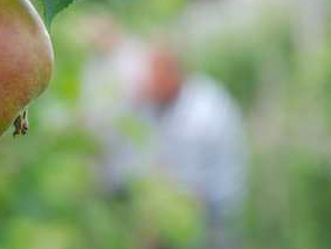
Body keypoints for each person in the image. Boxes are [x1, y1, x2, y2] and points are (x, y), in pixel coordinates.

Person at [82, 26, 246, 249]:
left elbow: (193, 191)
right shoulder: (156, 105)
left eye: (153, 72)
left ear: (173, 71)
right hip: (172, 216)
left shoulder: (204, 113)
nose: (146, 80)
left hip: (209, 221)